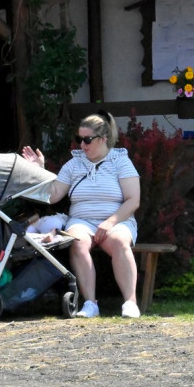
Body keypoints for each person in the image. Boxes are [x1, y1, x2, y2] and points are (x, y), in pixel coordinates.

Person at [21, 112, 142, 318]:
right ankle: (90, 304)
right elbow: (53, 196)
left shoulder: (120, 161)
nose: (82, 145)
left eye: (87, 140)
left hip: (116, 220)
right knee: (77, 242)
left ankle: (130, 303)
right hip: (82, 220)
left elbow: (133, 200)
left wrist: (109, 222)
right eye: (79, 139)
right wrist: (39, 171)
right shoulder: (74, 164)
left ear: (103, 138)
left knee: (121, 241)